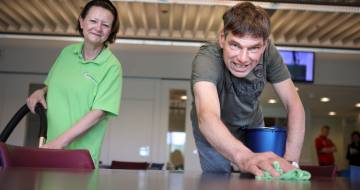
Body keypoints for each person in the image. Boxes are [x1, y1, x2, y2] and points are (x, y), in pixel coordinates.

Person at [190, 2, 305, 176]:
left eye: (253, 48)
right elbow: (207, 116)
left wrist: (291, 161)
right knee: (217, 179)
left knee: (262, 175)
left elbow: (294, 104)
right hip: (214, 126)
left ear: (264, 45)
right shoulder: (207, 59)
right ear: (222, 39)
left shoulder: (270, 54)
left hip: (251, 124)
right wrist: (244, 158)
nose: (243, 59)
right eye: (235, 45)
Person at [26, 0, 122, 167]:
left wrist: (59, 144)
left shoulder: (112, 67)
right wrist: (40, 91)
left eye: (105, 24)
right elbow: (52, 85)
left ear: (110, 30)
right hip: (48, 149)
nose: (98, 28)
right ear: (82, 21)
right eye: (93, 21)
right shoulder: (67, 53)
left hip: (79, 159)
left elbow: (98, 113)